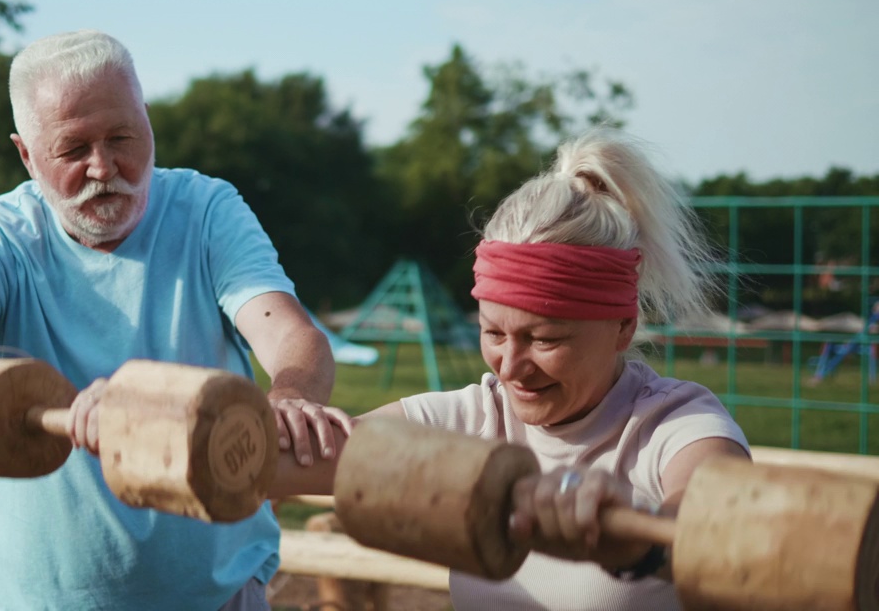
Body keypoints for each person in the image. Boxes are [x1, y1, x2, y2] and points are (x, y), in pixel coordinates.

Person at [0, 30, 345, 610]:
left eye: (121, 137)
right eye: (73, 149)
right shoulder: (2, 235)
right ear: (27, 155)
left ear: (148, 124)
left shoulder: (207, 211)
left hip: (216, 598)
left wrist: (289, 395)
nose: (103, 167)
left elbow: (290, 334)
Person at [279, 131, 751, 611]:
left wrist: (639, 539)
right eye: (494, 334)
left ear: (623, 327)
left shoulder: (675, 425)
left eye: (545, 339)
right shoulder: (471, 420)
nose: (511, 367)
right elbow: (296, 459)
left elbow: (718, 523)